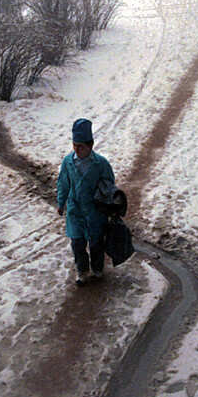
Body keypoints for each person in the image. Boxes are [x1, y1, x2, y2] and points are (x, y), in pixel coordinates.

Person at [56, 118, 115, 286]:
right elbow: (63, 183)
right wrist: (61, 203)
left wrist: (111, 208)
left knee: (96, 242)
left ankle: (97, 269)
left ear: (91, 145)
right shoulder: (68, 162)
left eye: (80, 146)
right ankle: (82, 271)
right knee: (77, 243)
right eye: (74, 144)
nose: (76, 149)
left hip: (95, 212)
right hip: (75, 211)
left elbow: (110, 187)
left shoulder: (101, 164)